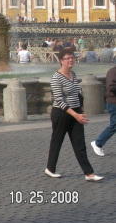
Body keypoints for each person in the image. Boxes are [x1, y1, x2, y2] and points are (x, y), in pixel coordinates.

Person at [45, 48, 103, 181]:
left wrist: (80, 110)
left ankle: (89, 173)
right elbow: (59, 100)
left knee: (79, 143)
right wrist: (75, 115)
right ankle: (50, 168)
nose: (71, 60)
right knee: (57, 141)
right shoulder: (56, 77)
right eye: (67, 58)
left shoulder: (73, 75)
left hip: (76, 112)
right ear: (60, 61)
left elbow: (77, 94)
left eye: (72, 58)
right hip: (61, 113)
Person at [90, 64, 116, 156]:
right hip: (113, 103)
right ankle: (98, 143)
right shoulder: (113, 71)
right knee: (114, 125)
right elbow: (111, 87)